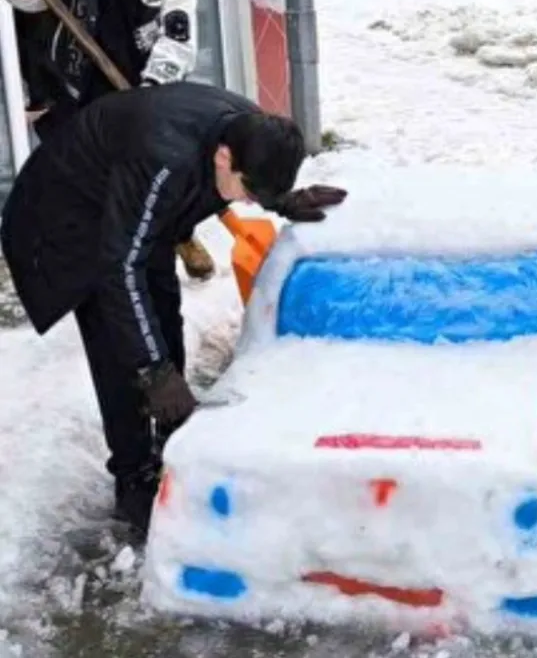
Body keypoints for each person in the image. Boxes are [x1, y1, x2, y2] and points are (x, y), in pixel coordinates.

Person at [0, 81, 347, 537]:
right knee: (119, 343)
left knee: (163, 314)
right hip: (66, 219)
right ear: (224, 158)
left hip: (130, 211)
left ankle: (171, 437)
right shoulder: (164, 158)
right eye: (248, 190)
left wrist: (278, 199)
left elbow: (156, 243)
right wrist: (152, 371)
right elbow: (119, 269)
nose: (247, 202)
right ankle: (134, 481)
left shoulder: (246, 128)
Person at [2, 0, 216, 282]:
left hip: (140, 84)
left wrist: (151, 94)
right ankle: (98, 260)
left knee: (156, 169)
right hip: (73, 84)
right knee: (86, 179)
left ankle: (177, 232)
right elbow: (32, 5)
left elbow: (178, 37)